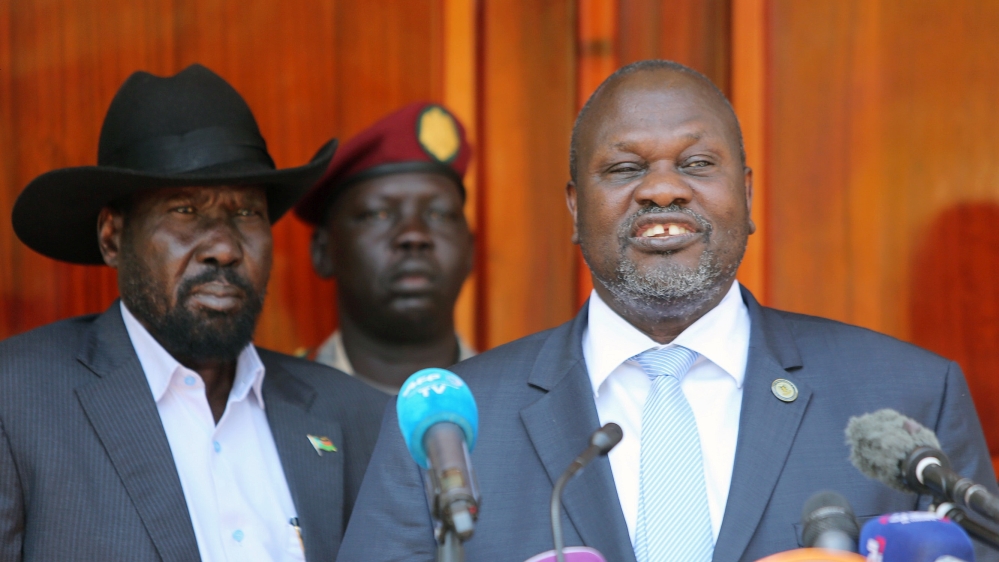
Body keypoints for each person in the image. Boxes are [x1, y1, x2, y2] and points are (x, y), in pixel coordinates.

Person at [336, 60, 999, 561]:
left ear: (744, 194)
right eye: (624, 169)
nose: (661, 189)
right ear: (574, 208)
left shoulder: (912, 396)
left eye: (697, 162)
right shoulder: (447, 423)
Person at [0, 64, 388, 562]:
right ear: (112, 236)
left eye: (247, 212)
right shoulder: (18, 403)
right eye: (184, 210)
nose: (224, 248)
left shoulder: (353, 416)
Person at [294, 103, 475, 394]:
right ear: (323, 251)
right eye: (379, 214)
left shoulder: (519, 407)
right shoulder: (272, 409)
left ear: (470, 250)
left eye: (439, 214)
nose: (414, 235)